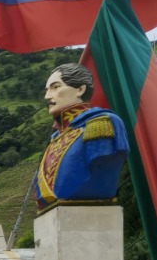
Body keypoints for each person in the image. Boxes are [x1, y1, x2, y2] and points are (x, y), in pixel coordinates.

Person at [35, 62, 130, 209]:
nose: (47, 96)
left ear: (80, 89)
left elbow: (102, 161)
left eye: (56, 87)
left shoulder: (101, 122)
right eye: (46, 90)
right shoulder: (55, 138)